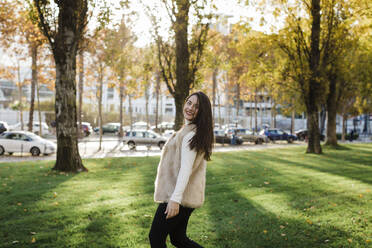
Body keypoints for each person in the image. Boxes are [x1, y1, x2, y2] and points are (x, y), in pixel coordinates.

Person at [149, 91, 214, 248]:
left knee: (156, 237)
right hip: (184, 197)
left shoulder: (191, 135)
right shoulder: (193, 131)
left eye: (196, 106)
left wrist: (175, 200)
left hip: (177, 197)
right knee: (178, 239)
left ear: (202, 112)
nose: (190, 108)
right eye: (189, 103)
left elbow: (186, 169)